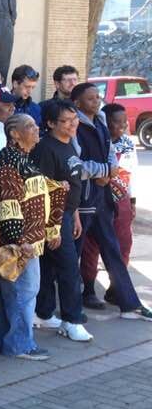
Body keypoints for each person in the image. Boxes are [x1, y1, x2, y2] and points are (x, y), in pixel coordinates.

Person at [72, 83, 152, 320]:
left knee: (113, 249)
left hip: (103, 197)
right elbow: (74, 163)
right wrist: (103, 171)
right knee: (74, 254)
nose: (97, 101)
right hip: (83, 198)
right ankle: (70, 308)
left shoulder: (100, 121)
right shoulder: (74, 124)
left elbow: (109, 152)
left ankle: (129, 303)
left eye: (98, 97)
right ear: (77, 103)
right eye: (90, 98)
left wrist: (110, 170)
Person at [0, 113, 62, 360]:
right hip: (21, 245)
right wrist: (20, 242)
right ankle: (20, 345)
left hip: (29, 242)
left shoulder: (22, 159)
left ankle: (2, 342)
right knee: (23, 293)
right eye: (29, 126)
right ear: (14, 134)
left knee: (13, 294)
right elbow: (8, 204)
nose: (36, 128)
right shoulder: (10, 161)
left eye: (35, 124)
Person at [29, 100, 91, 342]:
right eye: (65, 121)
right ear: (51, 123)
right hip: (52, 216)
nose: (72, 125)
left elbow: (71, 184)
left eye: (74, 120)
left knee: (50, 267)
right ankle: (72, 319)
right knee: (68, 269)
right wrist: (52, 226)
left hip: (67, 213)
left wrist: (74, 214)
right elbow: (42, 189)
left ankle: (44, 312)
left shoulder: (69, 145)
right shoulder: (46, 148)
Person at [81, 103, 137, 308]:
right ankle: (88, 290)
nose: (122, 126)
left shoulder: (127, 143)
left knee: (122, 245)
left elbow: (132, 173)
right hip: (99, 199)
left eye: (124, 122)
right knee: (91, 248)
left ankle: (116, 290)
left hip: (121, 200)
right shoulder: (97, 142)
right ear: (106, 122)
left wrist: (132, 202)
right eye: (117, 122)